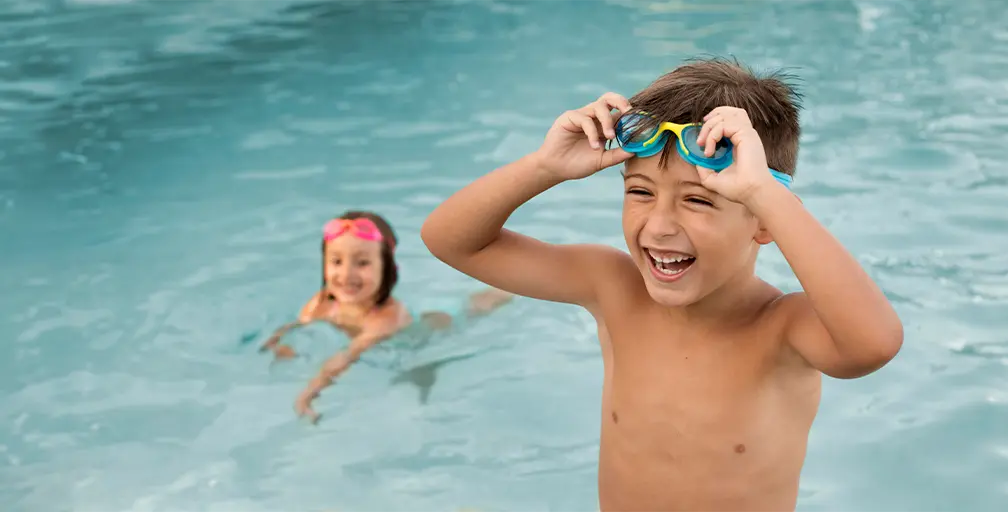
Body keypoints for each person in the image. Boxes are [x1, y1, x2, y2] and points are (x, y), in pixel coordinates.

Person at [420, 57, 903, 512]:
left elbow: (873, 345)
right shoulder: (613, 288)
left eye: (697, 200)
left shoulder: (782, 329)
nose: (659, 226)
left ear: (764, 221)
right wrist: (544, 167)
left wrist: (763, 192)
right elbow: (453, 242)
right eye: (640, 192)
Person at [261, 210, 512, 423]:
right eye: (336, 261)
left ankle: (512, 284)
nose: (346, 275)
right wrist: (280, 345)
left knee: (473, 308)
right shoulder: (322, 302)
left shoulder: (384, 319)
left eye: (362, 263)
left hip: (429, 329)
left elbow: (347, 357)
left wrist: (310, 393)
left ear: (387, 268)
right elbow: (297, 326)